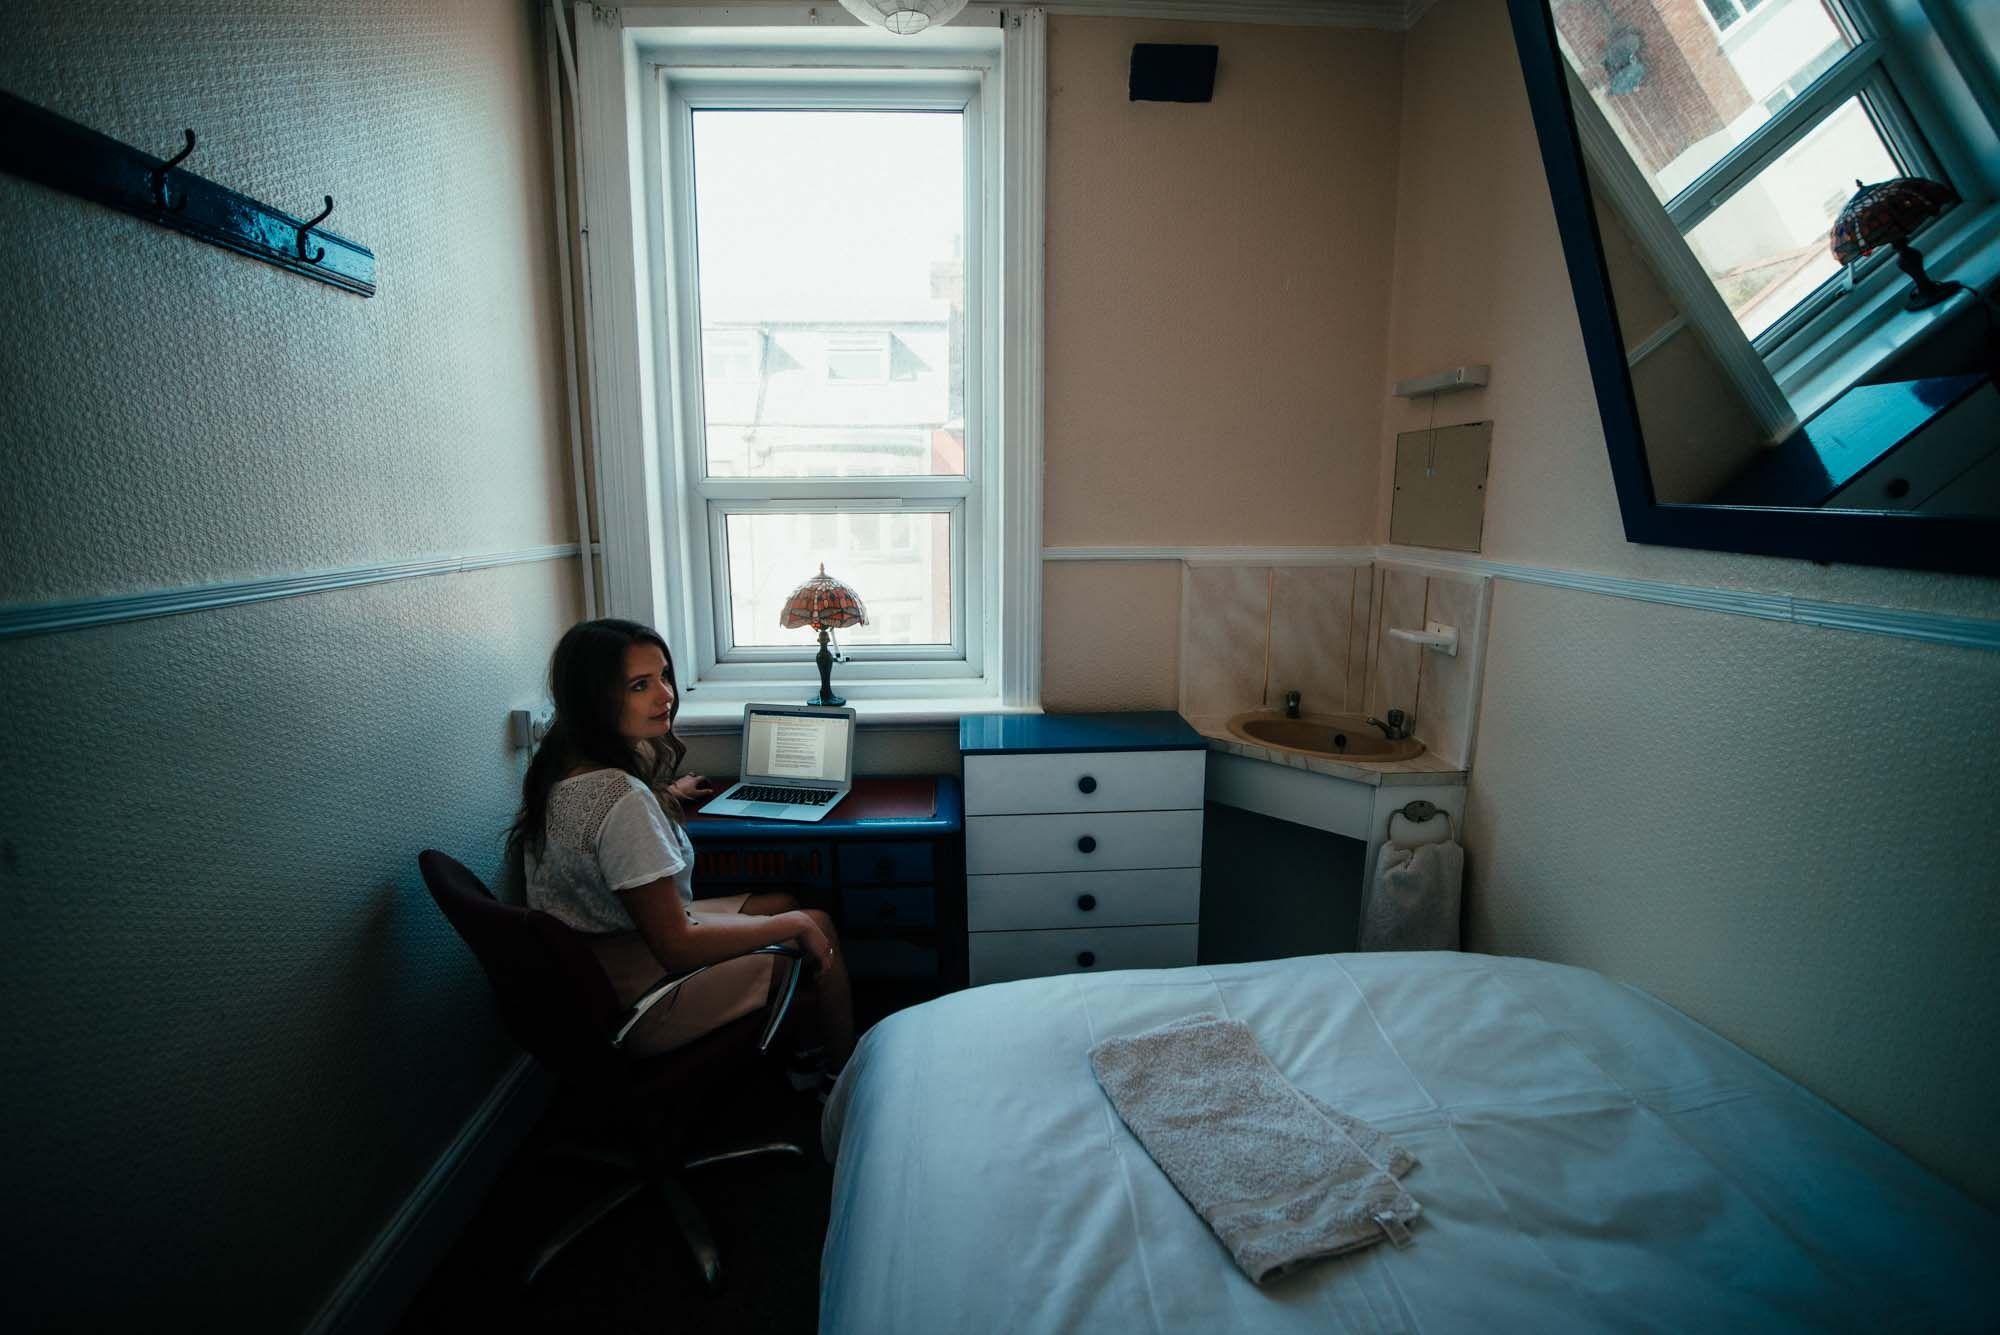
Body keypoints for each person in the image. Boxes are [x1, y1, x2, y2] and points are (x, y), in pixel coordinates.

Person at [509, 618, 853, 1091]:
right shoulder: (624, 801)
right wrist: (794, 928)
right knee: (812, 923)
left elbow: (610, 826)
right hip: (643, 997)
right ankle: (841, 1087)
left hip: (599, 970)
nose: (664, 695)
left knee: (781, 902)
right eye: (639, 685)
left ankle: (800, 1061)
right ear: (596, 698)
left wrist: (665, 793)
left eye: (664, 676)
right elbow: (676, 946)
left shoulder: (564, 770)